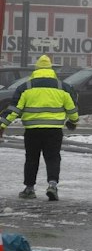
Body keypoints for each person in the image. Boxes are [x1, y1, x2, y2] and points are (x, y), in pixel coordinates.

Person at [1, 56, 77, 201]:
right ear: (51, 69)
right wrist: (73, 121)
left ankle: (29, 189)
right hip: (54, 131)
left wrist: (2, 125)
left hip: (32, 131)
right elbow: (72, 109)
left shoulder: (26, 87)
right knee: (53, 157)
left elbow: (14, 110)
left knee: (31, 158)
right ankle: (52, 185)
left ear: (36, 70)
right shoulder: (63, 87)